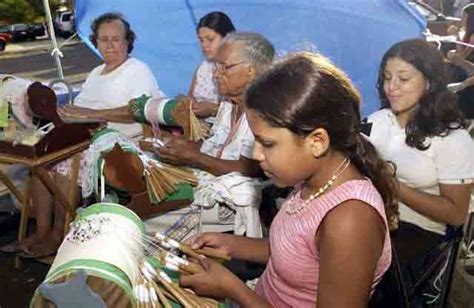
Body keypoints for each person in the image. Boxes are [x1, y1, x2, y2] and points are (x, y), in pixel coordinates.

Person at [179, 52, 397, 307]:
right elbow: (293, 252)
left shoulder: (349, 221)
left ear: (317, 142)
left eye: (267, 144)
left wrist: (232, 288)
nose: (256, 154)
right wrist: (232, 244)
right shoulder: (311, 179)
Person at [0, 12, 162, 257]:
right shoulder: (97, 72)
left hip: (118, 144)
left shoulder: (137, 70)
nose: (109, 45)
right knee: (40, 161)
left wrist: (88, 113)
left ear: (128, 41)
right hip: (85, 137)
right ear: (95, 41)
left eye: (116, 39)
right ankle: (41, 231)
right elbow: (80, 110)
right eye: (103, 39)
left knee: (64, 161)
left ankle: (58, 234)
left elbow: (138, 113)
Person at [367, 39, 474, 305]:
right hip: (374, 218)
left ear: (429, 82)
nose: (391, 87)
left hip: (421, 234)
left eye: (403, 78)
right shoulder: (377, 121)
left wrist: (394, 186)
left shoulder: (452, 139)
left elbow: (456, 213)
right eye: (386, 78)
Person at [143, 32, 275, 240]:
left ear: (250, 70)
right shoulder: (228, 106)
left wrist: (194, 157)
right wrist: (179, 147)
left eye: (225, 67)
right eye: (216, 67)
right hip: (207, 181)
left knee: (144, 227)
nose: (216, 74)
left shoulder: (264, 111)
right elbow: (214, 149)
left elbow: (250, 169)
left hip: (228, 199)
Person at [188, 11, 235, 121]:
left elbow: (242, 111)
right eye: (201, 40)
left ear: (227, 37)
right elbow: (190, 96)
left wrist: (213, 110)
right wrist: (189, 103)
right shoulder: (203, 68)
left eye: (210, 39)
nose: (204, 45)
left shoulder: (237, 69)